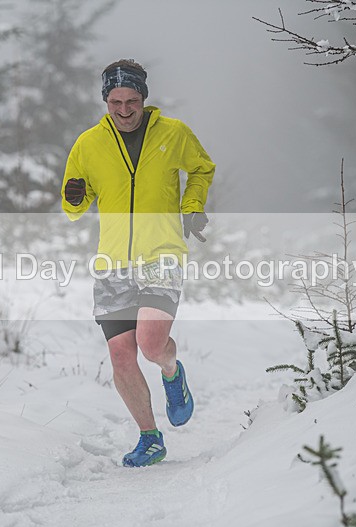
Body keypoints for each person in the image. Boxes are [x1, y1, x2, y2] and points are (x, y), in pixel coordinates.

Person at [61, 59, 215, 467]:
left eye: (131, 101)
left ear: (143, 98)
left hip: (161, 254)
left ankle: (171, 371)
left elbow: (202, 168)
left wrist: (192, 206)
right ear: (105, 101)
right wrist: (73, 196)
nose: (124, 110)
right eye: (115, 102)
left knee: (150, 345)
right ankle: (150, 437)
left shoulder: (173, 133)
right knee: (121, 356)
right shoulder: (88, 144)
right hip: (113, 263)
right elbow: (73, 207)